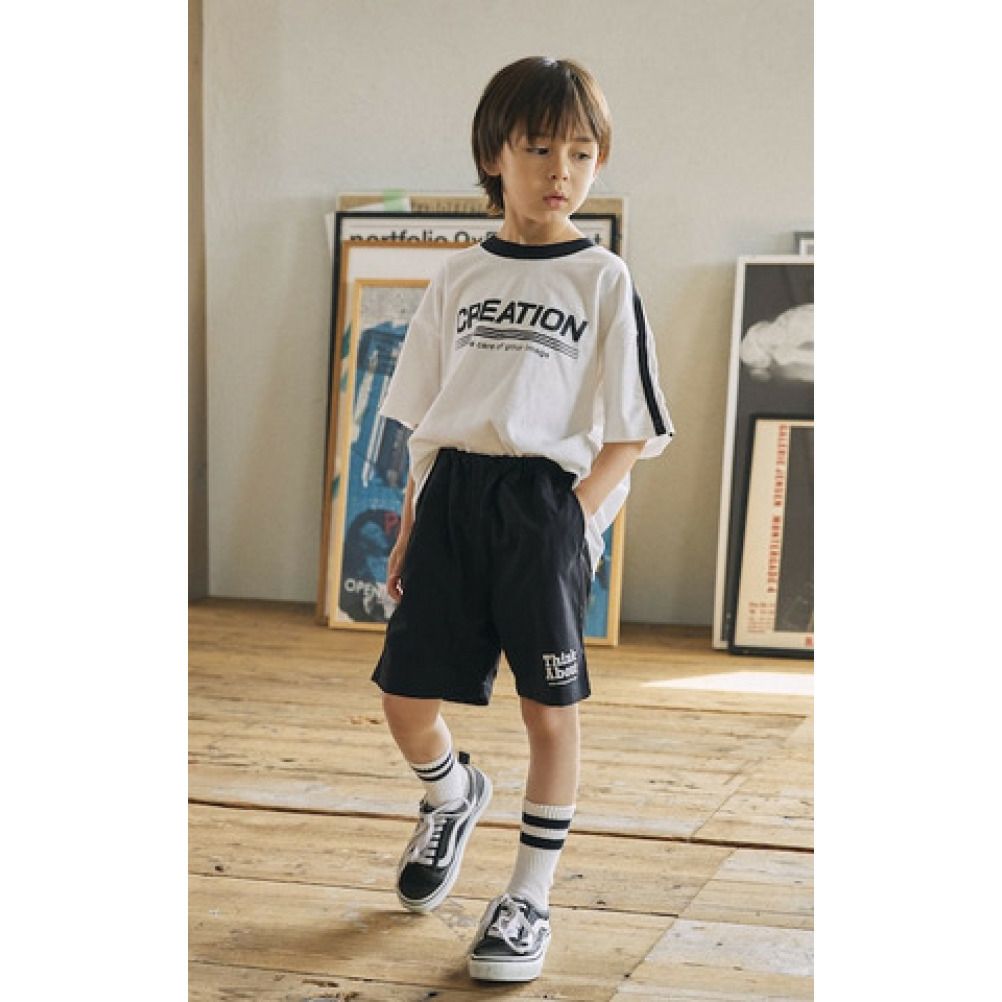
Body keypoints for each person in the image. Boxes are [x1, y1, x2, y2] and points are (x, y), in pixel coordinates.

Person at [370, 56, 675, 983]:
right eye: (540, 149)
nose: (561, 171)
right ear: (493, 155)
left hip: (543, 505)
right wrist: (412, 518)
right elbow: (423, 414)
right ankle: (452, 793)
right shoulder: (458, 277)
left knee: (551, 712)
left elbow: (633, 428)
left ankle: (527, 899)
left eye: (582, 153)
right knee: (403, 697)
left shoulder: (603, 279)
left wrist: (571, 524)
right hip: (454, 498)